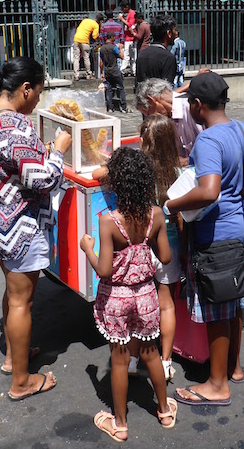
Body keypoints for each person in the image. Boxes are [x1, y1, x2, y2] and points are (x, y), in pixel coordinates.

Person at [164, 71, 244, 406]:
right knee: (234, 303)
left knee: (217, 308)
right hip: (240, 232)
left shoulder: (208, 140)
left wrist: (172, 204)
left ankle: (217, 385)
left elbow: (209, 192)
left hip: (217, 237)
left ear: (198, 106)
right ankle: (234, 367)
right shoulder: (242, 129)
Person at [0, 56, 72, 401]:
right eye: (38, 92)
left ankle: (15, 358)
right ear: (25, 89)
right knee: (22, 300)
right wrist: (58, 152)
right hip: (19, 227)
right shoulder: (16, 126)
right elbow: (42, 180)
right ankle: (22, 382)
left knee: (13, 295)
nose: (39, 99)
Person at [80, 147, 177, 441]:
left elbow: (105, 270)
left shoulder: (109, 221)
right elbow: (166, 257)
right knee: (151, 353)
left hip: (116, 299)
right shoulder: (156, 215)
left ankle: (119, 424)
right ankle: (164, 410)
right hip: (146, 294)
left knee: (119, 361)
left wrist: (88, 249)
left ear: (117, 184)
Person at [139, 114, 185, 381]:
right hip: (170, 247)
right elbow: (181, 219)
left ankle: (133, 359)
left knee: (140, 301)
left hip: (143, 246)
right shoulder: (178, 174)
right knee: (166, 304)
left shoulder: (141, 171)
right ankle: (166, 361)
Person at [135, 78, 202, 164]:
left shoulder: (191, 108)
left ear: (151, 101)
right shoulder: (168, 119)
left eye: (148, 113)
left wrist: (187, 161)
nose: (150, 119)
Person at [136, 14, 178, 91]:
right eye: (175, 30)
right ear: (168, 33)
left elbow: (138, 85)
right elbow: (166, 90)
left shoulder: (142, 54)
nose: (176, 34)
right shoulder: (168, 58)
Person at [99, 31, 128, 113]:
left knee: (109, 89)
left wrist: (101, 72)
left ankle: (110, 108)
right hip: (115, 70)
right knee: (120, 88)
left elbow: (101, 62)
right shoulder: (114, 47)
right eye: (114, 37)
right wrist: (121, 49)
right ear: (111, 37)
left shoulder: (102, 48)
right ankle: (124, 107)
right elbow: (122, 57)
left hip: (107, 71)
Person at [73, 13, 105, 81]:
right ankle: (88, 75)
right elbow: (94, 36)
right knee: (86, 58)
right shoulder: (96, 25)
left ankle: (76, 75)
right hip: (84, 41)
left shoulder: (85, 20)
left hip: (76, 39)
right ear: (100, 21)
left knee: (76, 58)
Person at [117, 0, 136, 76]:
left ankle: (122, 70)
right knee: (131, 56)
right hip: (127, 37)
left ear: (127, 7)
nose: (122, 10)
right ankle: (133, 70)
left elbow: (130, 25)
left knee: (127, 55)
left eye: (123, 8)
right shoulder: (128, 14)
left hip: (130, 38)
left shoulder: (132, 14)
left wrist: (122, 19)